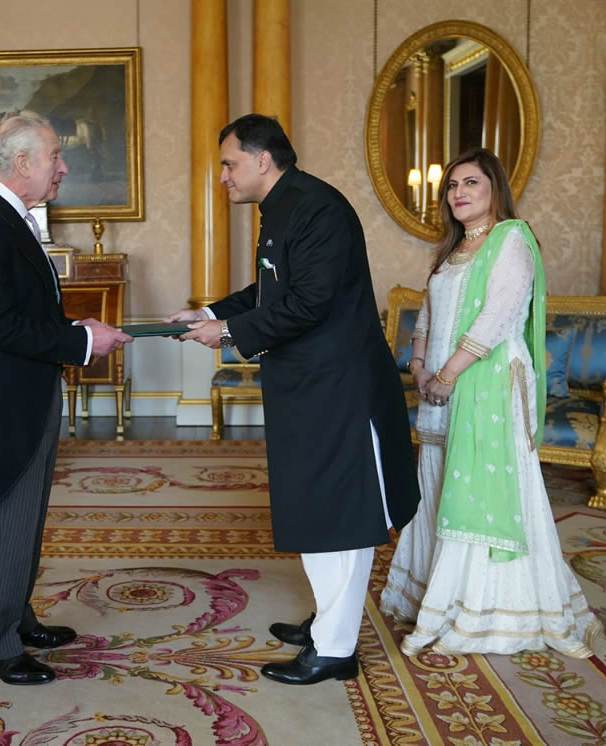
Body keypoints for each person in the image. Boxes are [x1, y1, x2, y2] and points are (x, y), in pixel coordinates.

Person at [167, 113, 419, 685]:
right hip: (311, 387)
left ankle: (335, 649)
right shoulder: (286, 206)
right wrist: (209, 313)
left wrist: (226, 333)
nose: (223, 177)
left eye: (229, 164)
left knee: (345, 514)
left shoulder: (318, 209)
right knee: (319, 508)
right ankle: (329, 622)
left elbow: (309, 303)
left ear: (263, 160)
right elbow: (272, 290)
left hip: (340, 389)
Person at [379, 147, 600, 657]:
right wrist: (419, 366)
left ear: (494, 187)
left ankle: (483, 608)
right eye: (452, 185)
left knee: (481, 484)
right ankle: (435, 593)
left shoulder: (511, 240)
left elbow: (497, 316)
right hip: (439, 384)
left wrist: (449, 374)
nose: (458, 193)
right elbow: (427, 316)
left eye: (470, 182)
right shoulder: (452, 251)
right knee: (438, 480)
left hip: (488, 383)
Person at [0, 114, 132, 685]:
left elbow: (24, 312)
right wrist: (81, 343)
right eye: (55, 156)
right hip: (5, 403)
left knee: (28, 516)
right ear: (22, 163)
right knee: (10, 517)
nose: (63, 167)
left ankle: (15, 618)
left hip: (27, 391)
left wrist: (76, 328)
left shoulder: (9, 218)